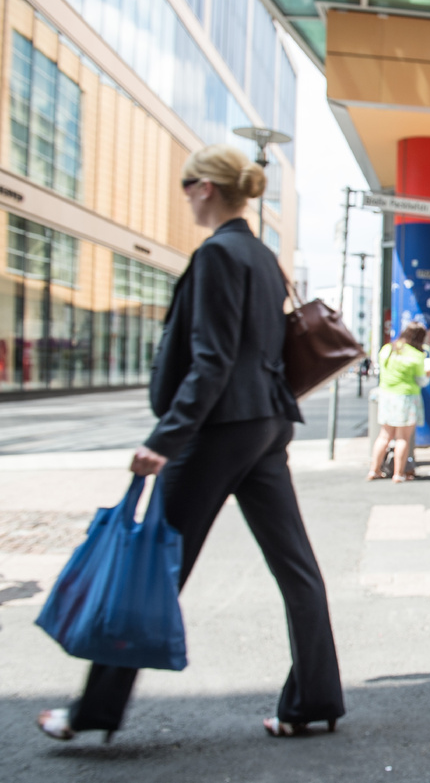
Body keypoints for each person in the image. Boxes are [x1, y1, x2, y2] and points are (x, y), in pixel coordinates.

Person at [37, 144, 345, 742]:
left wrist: (165, 439)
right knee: (297, 568)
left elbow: (212, 360)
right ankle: (313, 700)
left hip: (219, 431)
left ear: (206, 188)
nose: (183, 196)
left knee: (151, 564)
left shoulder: (217, 256)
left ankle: (93, 712)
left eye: (186, 186)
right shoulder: (259, 255)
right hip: (266, 423)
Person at [368, 321, 430, 482]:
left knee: (384, 436)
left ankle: (373, 470)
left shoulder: (387, 349)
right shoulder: (417, 355)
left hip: (387, 397)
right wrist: (429, 374)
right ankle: (398, 474)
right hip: (407, 398)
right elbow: (421, 381)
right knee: (402, 438)